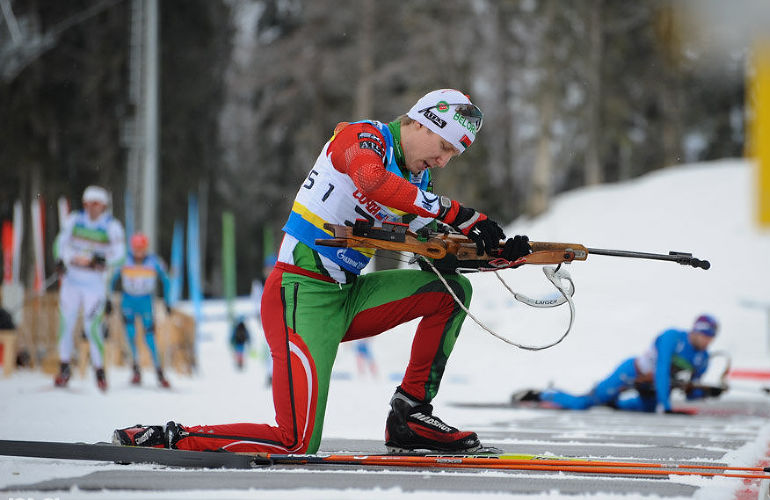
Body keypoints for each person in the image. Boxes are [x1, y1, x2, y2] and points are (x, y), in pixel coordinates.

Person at [112, 89, 532, 453]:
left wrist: (497, 252)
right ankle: (171, 437)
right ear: (423, 123)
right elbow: (371, 181)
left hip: (347, 297)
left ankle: (410, 416)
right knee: (296, 440)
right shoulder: (363, 137)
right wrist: (459, 214)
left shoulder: (418, 184)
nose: (443, 162)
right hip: (299, 294)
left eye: (452, 156)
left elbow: (435, 251)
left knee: (449, 291)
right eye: (444, 148)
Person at [513, 315, 722, 413]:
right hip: (631, 373)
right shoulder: (673, 337)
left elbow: (690, 391)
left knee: (643, 409)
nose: (706, 340)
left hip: (649, 387)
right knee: (584, 404)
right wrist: (666, 406)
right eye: (703, 334)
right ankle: (544, 394)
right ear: (694, 330)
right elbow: (661, 370)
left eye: (710, 337)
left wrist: (707, 392)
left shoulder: (703, 359)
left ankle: (612, 404)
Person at [54, 186, 125, 391]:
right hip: (72, 281)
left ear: (103, 205)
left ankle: (99, 371)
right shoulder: (75, 219)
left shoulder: (111, 225)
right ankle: (64, 367)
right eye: (87, 203)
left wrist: (104, 259)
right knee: (66, 323)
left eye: (95, 203)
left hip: (94, 283)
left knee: (91, 326)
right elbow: (60, 242)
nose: (91, 207)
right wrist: (60, 260)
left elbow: (120, 254)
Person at [109, 232, 172, 388]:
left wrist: (168, 301)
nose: (139, 252)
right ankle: (136, 369)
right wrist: (108, 298)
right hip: (128, 301)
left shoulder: (154, 261)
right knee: (130, 335)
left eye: (141, 248)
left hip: (145, 302)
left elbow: (166, 279)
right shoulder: (124, 260)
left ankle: (159, 371)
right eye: (136, 248)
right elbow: (111, 279)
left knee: (149, 337)